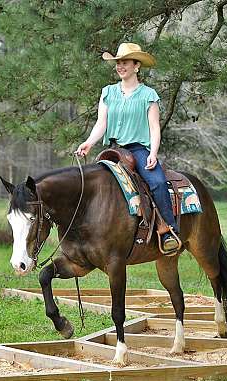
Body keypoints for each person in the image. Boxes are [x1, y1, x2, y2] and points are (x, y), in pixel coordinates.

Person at [75, 42, 180, 254]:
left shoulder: (148, 95)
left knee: (158, 182)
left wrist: (153, 153)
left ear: (136, 66)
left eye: (125, 62)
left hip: (138, 150)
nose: (120, 66)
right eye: (118, 63)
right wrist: (88, 142)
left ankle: (169, 231)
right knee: (93, 184)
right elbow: (101, 123)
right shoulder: (108, 92)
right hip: (113, 150)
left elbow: (154, 128)